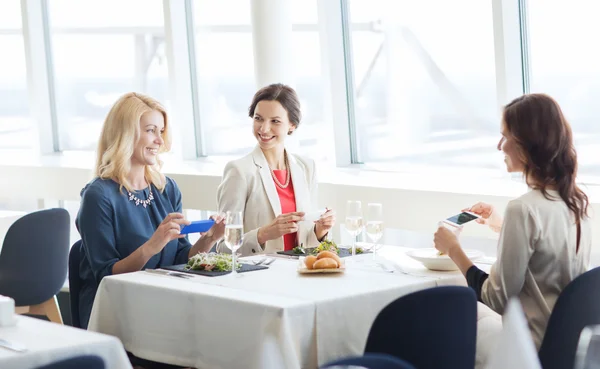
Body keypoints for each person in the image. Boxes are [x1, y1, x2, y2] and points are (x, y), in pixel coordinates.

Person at [434, 93, 592, 350]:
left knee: (446, 326)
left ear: (527, 145)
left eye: (505, 136)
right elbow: (547, 254)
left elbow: (495, 298)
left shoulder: (523, 209)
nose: (500, 146)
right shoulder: (575, 203)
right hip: (565, 346)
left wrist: (453, 249)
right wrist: (500, 224)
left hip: (529, 347)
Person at [76, 92, 225, 330]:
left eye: (161, 131)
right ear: (125, 134)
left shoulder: (167, 189)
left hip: (162, 301)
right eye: (151, 130)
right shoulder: (99, 196)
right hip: (116, 311)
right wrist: (152, 246)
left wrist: (208, 239)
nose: (160, 141)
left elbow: (181, 257)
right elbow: (107, 275)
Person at [216, 83, 335, 256]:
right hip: (259, 277)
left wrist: (320, 230)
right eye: (258, 118)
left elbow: (305, 241)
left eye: (275, 121)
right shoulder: (239, 171)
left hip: (300, 273)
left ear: (292, 125)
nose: (264, 129)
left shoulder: (306, 168)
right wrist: (263, 234)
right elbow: (223, 247)